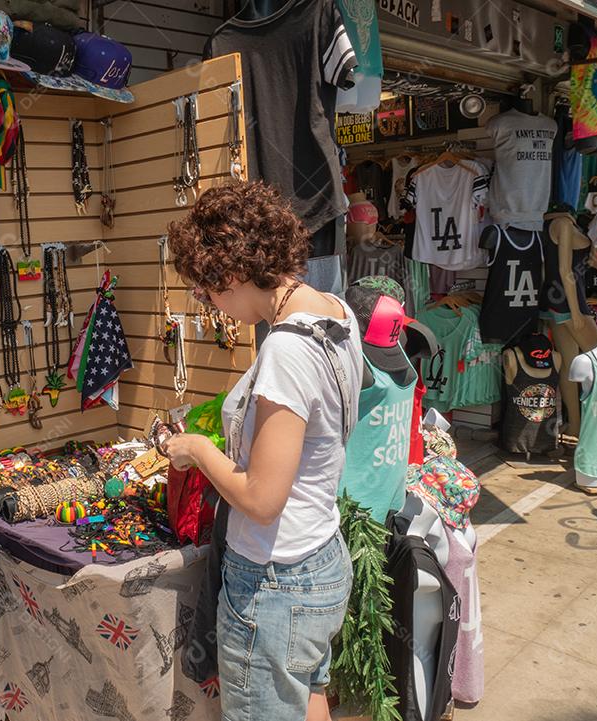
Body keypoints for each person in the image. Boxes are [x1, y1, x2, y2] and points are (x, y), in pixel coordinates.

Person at [161, 181, 362, 721]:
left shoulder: (286, 352)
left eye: (207, 293)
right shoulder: (336, 313)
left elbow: (262, 497)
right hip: (320, 555)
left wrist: (200, 449)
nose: (213, 305)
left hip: (276, 582)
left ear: (227, 275)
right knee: (310, 694)